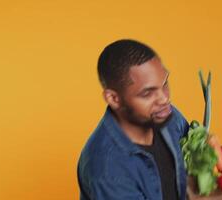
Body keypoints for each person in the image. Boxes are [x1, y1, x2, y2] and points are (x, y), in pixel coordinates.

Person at [77, 39, 189, 200]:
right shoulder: (107, 166)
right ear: (114, 99)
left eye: (164, 84)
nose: (164, 99)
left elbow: (194, 159)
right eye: (147, 93)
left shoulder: (167, 117)